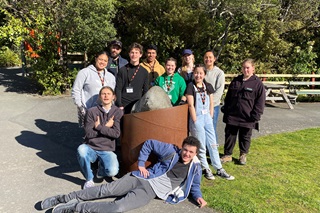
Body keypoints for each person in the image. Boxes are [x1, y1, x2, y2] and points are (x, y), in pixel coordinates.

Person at [41, 136, 208, 213]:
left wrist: (198, 197)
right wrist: (141, 164)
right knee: (104, 191)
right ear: (182, 147)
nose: (186, 154)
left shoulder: (194, 167)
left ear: (195, 154)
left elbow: (194, 185)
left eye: (190, 152)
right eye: (185, 150)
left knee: (117, 207)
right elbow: (149, 143)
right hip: (140, 178)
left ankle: (76, 208)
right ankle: (62, 198)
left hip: (150, 192)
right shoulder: (171, 151)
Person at [186, 64, 234, 181]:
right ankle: (206, 168)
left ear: (204, 74)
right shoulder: (191, 87)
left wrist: (211, 116)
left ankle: (219, 168)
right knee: (201, 144)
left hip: (207, 118)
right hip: (197, 119)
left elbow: (212, 102)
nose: (198, 75)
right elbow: (191, 105)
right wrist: (195, 120)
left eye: (200, 73)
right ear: (193, 73)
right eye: (196, 73)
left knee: (213, 144)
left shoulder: (208, 86)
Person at [220, 59, 265, 165]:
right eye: (244, 67)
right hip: (233, 115)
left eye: (248, 67)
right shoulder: (236, 81)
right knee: (230, 136)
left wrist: (256, 115)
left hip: (248, 117)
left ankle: (243, 155)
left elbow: (260, 101)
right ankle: (227, 155)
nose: (245, 70)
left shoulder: (257, 84)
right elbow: (228, 97)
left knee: (245, 137)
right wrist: (226, 109)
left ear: (253, 68)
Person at [78, 86, 123, 189]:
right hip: (91, 147)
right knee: (81, 150)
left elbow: (116, 134)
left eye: (108, 94)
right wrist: (106, 127)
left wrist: (98, 127)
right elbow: (88, 134)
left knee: (112, 171)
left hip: (107, 149)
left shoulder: (117, 112)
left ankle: (101, 169)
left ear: (113, 97)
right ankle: (89, 179)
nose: (106, 96)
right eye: (103, 94)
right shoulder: (92, 112)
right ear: (99, 97)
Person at [72, 50, 116, 127]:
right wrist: (80, 105)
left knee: (105, 134)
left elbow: (113, 93)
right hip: (89, 110)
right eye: (100, 59)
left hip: (106, 111)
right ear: (96, 59)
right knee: (91, 135)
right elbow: (76, 90)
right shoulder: (85, 72)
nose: (102, 62)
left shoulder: (111, 76)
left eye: (105, 60)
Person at [115, 42, 148, 114]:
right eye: (132, 52)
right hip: (123, 105)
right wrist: (119, 104)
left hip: (137, 105)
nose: (134, 55)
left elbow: (145, 91)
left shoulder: (144, 72)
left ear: (140, 55)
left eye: (136, 52)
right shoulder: (122, 70)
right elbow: (118, 89)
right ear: (129, 54)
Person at [203, 50, 225, 143]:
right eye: (206, 57)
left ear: (214, 59)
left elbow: (219, 91)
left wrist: (209, 104)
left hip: (213, 106)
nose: (208, 59)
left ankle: (213, 151)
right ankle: (203, 150)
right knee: (201, 129)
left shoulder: (219, 73)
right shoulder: (200, 71)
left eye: (210, 57)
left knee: (211, 128)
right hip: (201, 105)